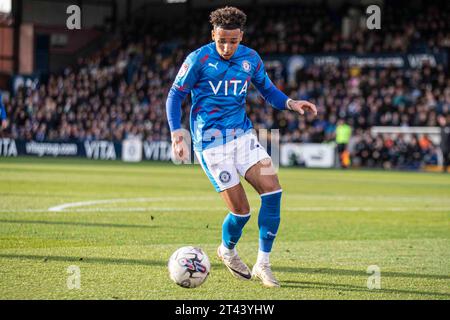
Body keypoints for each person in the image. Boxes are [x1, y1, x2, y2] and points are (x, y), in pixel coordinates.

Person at [165, 6, 317, 287]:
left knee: (274, 190)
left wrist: (290, 103)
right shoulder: (199, 59)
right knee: (241, 212)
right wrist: (177, 132)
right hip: (210, 144)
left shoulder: (251, 58)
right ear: (213, 34)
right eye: (222, 40)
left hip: (243, 136)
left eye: (233, 41)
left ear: (241, 37)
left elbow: (267, 90)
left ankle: (263, 263)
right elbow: (175, 95)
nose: (227, 47)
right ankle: (227, 249)